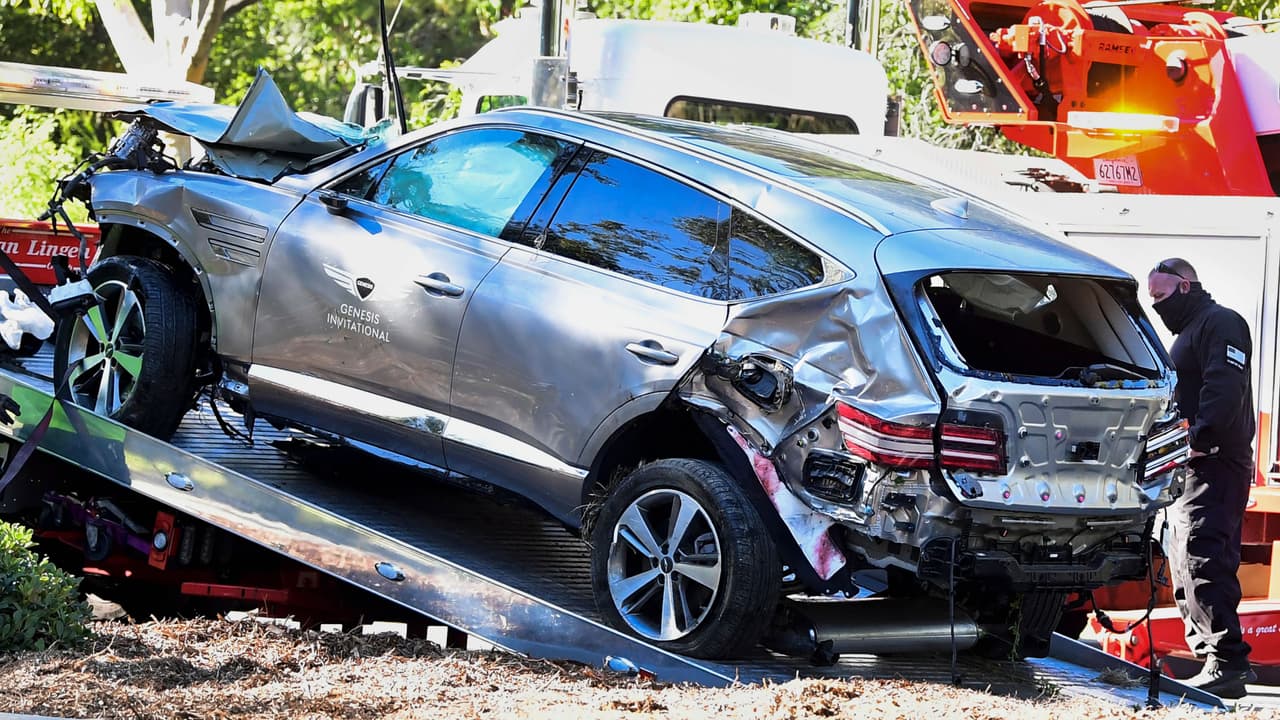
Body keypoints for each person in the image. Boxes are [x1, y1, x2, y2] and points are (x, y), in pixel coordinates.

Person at [1147, 258, 1256, 699]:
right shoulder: (1187, 333)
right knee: (1183, 553)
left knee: (1202, 553)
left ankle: (1227, 661)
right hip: (1190, 464)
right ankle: (1214, 659)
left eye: (1161, 296)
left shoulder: (1221, 322)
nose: (1156, 305)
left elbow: (1224, 385)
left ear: (1185, 286)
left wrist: (1202, 438)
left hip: (1214, 461)